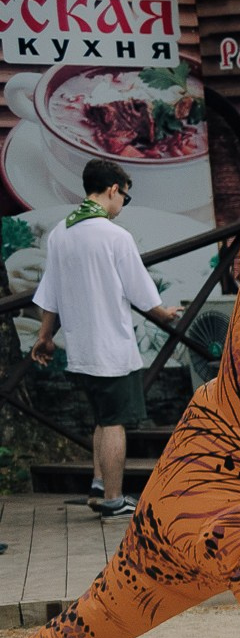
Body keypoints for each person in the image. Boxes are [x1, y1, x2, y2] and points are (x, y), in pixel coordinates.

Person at [27, 159, 182, 518]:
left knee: (101, 417)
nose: (121, 207)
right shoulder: (115, 236)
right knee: (114, 422)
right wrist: (164, 313)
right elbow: (142, 292)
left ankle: (99, 482)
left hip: (80, 347)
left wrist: (44, 336)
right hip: (110, 346)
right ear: (113, 189)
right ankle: (113, 498)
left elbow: (48, 293)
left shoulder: (60, 232)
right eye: (123, 199)